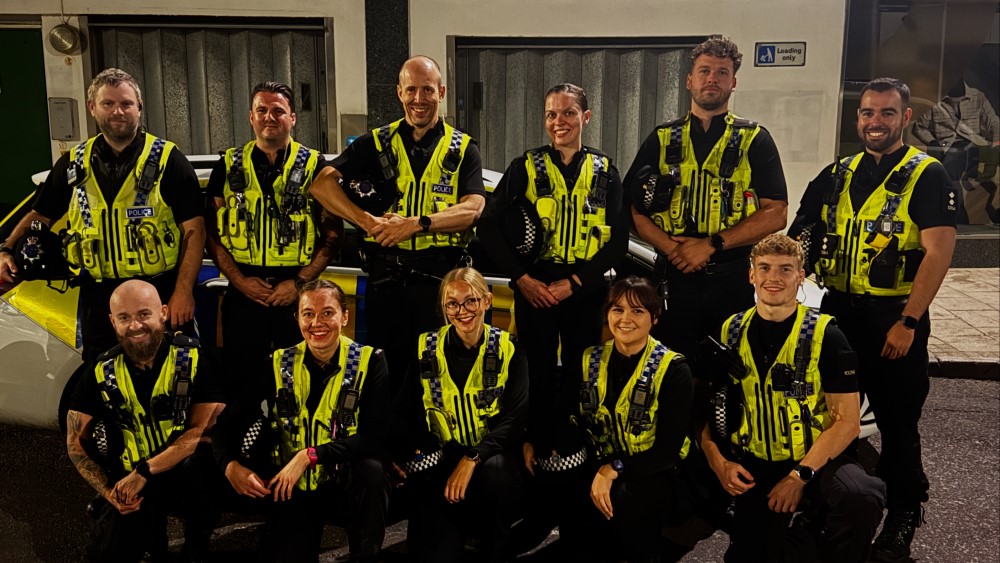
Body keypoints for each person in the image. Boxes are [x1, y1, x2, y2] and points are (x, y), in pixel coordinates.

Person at [790, 77, 956, 562]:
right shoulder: (836, 174)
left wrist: (908, 321)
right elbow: (801, 232)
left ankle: (904, 513)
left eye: (886, 113)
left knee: (898, 424)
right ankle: (831, 503)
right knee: (832, 417)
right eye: (867, 113)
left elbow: (939, 252)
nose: (875, 122)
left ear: (905, 118)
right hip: (839, 314)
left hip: (893, 317)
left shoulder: (928, 175)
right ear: (857, 118)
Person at [697, 234, 885, 562]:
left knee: (860, 494)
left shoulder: (827, 335)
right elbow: (704, 409)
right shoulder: (730, 330)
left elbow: (848, 423)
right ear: (751, 274)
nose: (774, 277)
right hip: (755, 464)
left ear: (800, 276)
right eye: (765, 268)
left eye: (785, 269)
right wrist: (718, 462)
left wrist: (800, 476)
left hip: (814, 462)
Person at [0, 68, 205, 362]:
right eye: (108, 104)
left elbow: (194, 230)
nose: (118, 111)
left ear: (139, 107)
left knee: (171, 373)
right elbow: (40, 215)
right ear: (92, 108)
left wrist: (183, 292)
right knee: (101, 376)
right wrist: (7, 249)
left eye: (126, 104)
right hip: (98, 297)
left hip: (158, 290)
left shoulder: (168, 159)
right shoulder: (72, 164)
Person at [308, 55, 486, 389]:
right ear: (399, 93)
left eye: (428, 90)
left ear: (442, 92)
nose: (420, 99)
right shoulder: (374, 144)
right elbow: (320, 184)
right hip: (385, 282)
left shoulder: (464, 149)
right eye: (412, 90)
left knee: (438, 379)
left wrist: (416, 224)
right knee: (385, 380)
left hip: (440, 284)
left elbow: (473, 208)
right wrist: (365, 220)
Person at [477, 83, 628, 474]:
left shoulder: (606, 172)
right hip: (536, 288)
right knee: (535, 373)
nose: (558, 122)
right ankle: (533, 450)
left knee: (581, 374)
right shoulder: (525, 167)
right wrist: (522, 280)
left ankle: (572, 455)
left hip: (585, 288)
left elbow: (618, 243)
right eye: (550, 114)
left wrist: (575, 283)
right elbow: (488, 227)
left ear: (585, 118)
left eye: (567, 113)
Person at [625, 37, 788, 361]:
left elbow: (776, 213)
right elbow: (631, 207)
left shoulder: (755, 139)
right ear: (690, 80)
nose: (712, 78)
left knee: (730, 369)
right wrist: (674, 249)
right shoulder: (661, 138)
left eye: (721, 72)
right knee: (672, 368)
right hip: (674, 276)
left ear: (733, 81)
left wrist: (711, 244)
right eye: (704, 71)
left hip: (732, 277)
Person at [212, 279, 391, 562]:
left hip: (343, 484)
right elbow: (227, 424)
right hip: (291, 489)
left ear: (345, 317)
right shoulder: (277, 361)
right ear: (297, 318)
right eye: (308, 313)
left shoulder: (371, 361)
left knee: (372, 471)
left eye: (328, 313)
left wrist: (309, 456)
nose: (317, 323)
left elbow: (373, 436)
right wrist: (229, 465)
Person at [64, 279, 226, 562]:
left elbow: (201, 432)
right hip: (133, 481)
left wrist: (144, 472)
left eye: (144, 314)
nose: (135, 325)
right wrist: (109, 492)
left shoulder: (195, 358)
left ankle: (196, 543)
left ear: (163, 313)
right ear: (112, 322)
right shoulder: (100, 371)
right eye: (124, 318)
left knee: (200, 464)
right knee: (104, 555)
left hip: (181, 477)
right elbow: (75, 442)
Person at [205, 81, 340, 390]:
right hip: (242, 293)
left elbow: (332, 235)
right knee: (239, 385)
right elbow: (210, 233)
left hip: (298, 296)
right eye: (261, 110)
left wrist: (298, 284)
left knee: (301, 383)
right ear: (251, 117)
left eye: (278, 111)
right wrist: (240, 282)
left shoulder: (315, 167)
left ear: (292, 118)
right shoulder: (226, 167)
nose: (269, 117)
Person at [393, 267, 528, 562]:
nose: (462, 311)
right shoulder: (426, 347)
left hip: (489, 461)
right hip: (440, 462)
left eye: (471, 301)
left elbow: (515, 419)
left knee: (498, 473)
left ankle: (491, 545)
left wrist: (473, 457)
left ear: (487, 301)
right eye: (452, 303)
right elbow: (404, 407)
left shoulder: (509, 348)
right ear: (443, 308)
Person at [570, 275, 693, 563]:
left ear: (655, 317)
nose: (626, 319)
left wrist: (613, 469)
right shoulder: (590, 359)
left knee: (630, 496)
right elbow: (568, 417)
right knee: (565, 484)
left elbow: (667, 451)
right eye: (617, 309)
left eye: (637, 310)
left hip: (658, 475)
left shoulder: (673, 368)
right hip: (602, 464)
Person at [911, 79, 999, 224]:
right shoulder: (937, 101)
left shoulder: (977, 96)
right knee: (945, 174)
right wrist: (933, 142)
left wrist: (996, 148)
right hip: (949, 149)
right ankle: (959, 218)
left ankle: (964, 217)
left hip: (974, 146)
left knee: (947, 173)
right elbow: (919, 127)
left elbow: (994, 123)